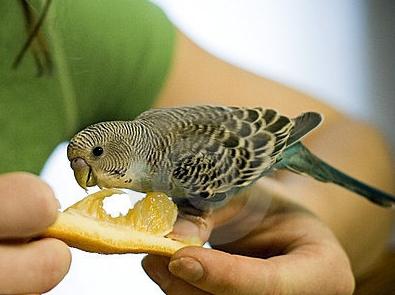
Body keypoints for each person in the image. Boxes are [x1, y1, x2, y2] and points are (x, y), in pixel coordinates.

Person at [0, 1, 393, 294]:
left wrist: (262, 216)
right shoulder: (150, 139)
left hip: (273, 144)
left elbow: (356, 141)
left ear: (121, 146)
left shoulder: (58, 21)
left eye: (96, 156)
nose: (85, 171)